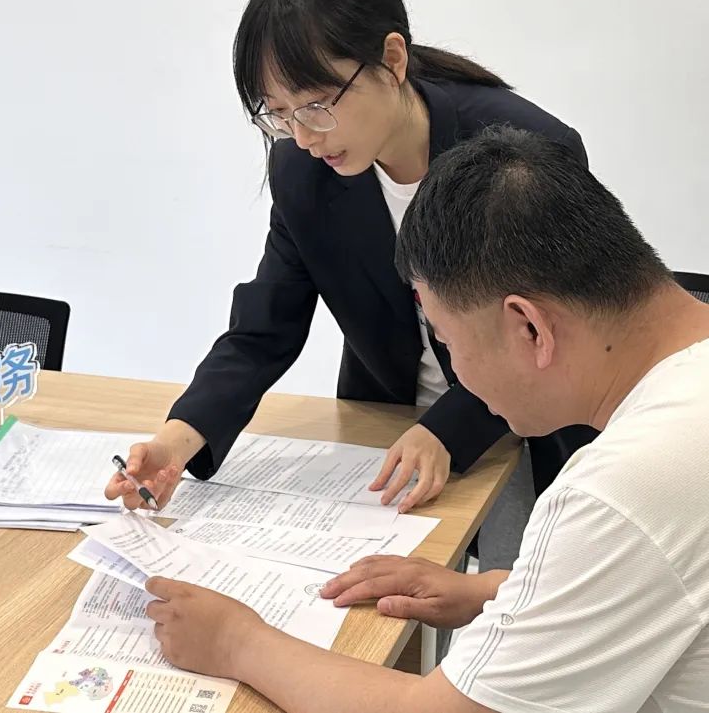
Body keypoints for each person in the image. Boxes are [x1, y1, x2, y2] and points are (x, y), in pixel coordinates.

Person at [144, 126, 709, 712]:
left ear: (529, 328)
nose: (454, 372)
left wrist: (237, 642)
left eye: (447, 342)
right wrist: (493, 591)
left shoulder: (624, 488)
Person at [106, 0, 597, 573]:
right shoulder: (302, 171)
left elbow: (540, 336)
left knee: (509, 600)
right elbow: (264, 328)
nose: (303, 136)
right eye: (278, 114)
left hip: (520, 428)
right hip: (384, 429)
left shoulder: (526, 154)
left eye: (317, 106)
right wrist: (179, 438)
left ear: (392, 59)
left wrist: (444, 429)